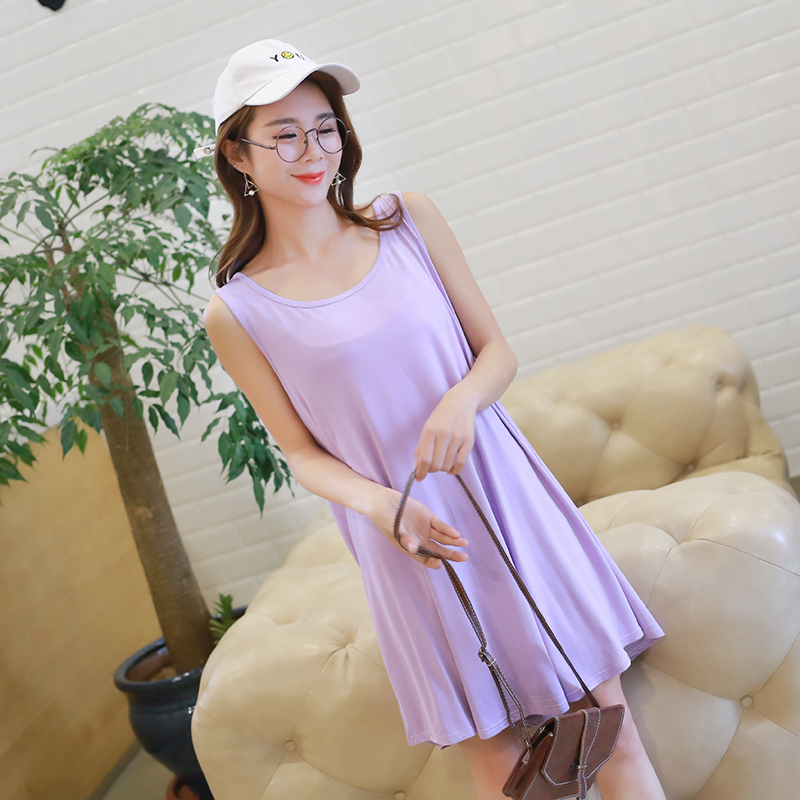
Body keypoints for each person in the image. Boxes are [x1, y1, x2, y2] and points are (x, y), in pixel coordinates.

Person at [202, 38, 668, 800]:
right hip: (407, 539)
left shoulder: (406, 222)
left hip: (505, 500)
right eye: (284, 135)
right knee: (501, 773)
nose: (312, 151)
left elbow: (497, 353)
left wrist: (460, 400)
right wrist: (380, 506)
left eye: (325, 127)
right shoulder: (239, 311)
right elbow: (300, 452)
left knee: (610, 739)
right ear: (238, 154)